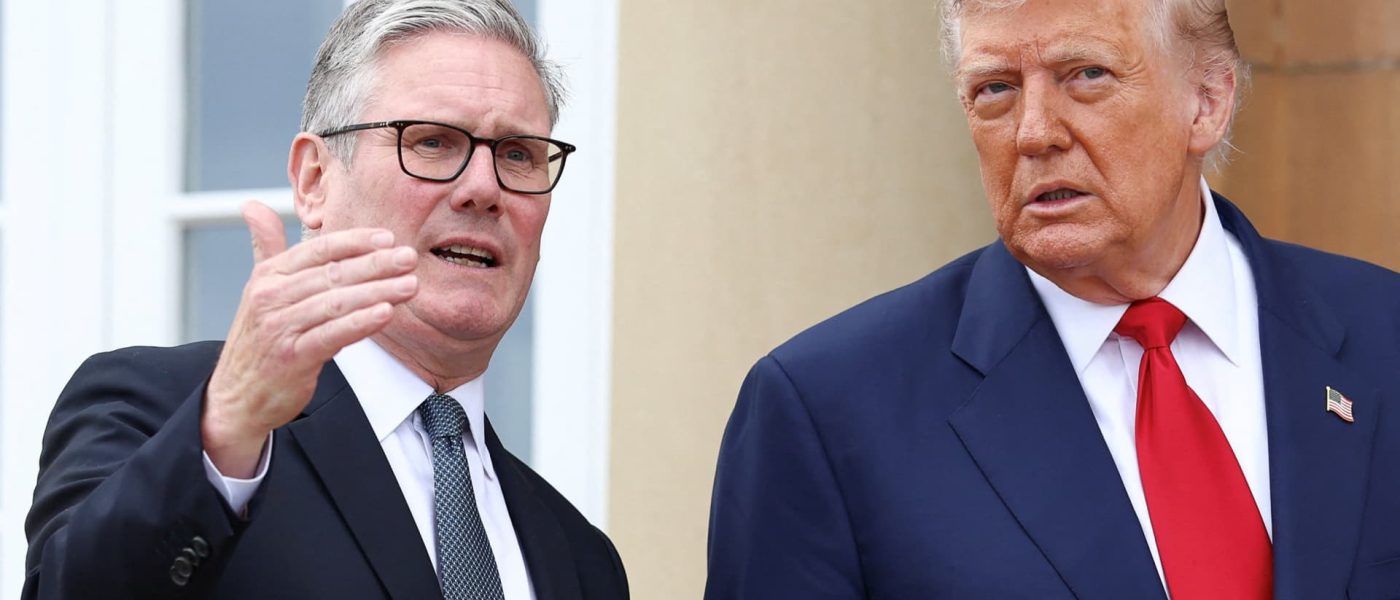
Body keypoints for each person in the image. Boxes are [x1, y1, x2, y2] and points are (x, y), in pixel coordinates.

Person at [706, 0, 1400, 597]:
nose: (1034, 131)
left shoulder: (1384, 336)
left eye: (1086, 75)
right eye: (995, 88)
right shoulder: (828, 412)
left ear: (1207, 102)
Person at [24, 1, 628, 598]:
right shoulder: (168, 417)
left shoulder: (581, 559)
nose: (483, 188)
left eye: (518, 154)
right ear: (314, 180)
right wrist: (227, 430)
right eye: (433, 142)